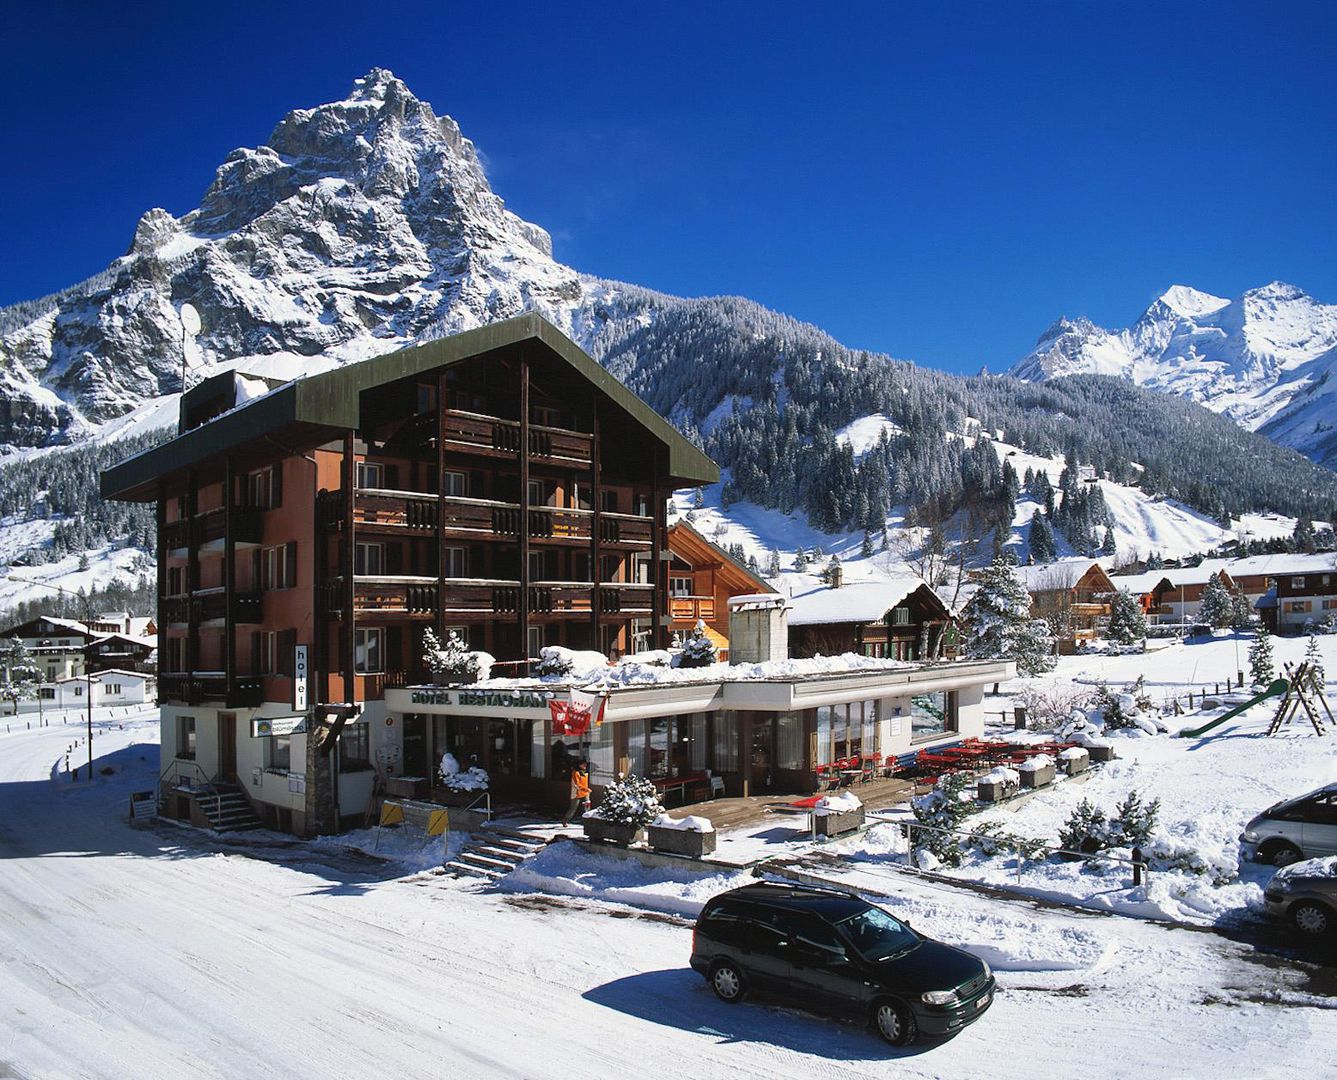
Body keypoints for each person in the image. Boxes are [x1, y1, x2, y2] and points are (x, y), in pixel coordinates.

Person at [562, 759, 590, 827]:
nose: (585, 766)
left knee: (587, 806)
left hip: (585, 792)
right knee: (573, 807)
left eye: (585, 764)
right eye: (583, 764)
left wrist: (586, 790)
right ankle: (565, 820)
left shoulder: (585, 772)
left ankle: (588, 821)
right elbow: (576, 784)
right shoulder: (575, 772)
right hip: (577, 792)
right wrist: (585, 789)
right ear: (579, 765)